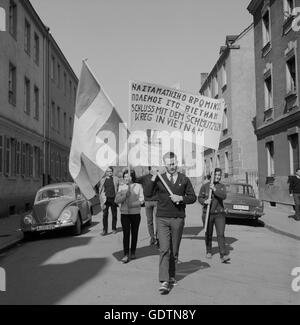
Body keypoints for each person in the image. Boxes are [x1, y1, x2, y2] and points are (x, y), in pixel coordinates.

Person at [145, 152, 197, 294]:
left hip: (178, 218)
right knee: (164, 249)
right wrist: (154, 177)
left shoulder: (184, 179)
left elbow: (193, 197)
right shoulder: (159, 179)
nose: (172, 166)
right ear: (165, 164)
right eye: (169, 164)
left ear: (177, 163)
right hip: (162, 218)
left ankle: (172, 275)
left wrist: (180, 197)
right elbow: (148, 193)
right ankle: (164, 280)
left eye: (174, 163)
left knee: (174, 250)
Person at [198, 168, 230, 263]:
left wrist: (214, 189)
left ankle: (223, 254)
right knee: (208, 233)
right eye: (216, 175)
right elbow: (200, 198)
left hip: (219, 214)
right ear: (212, 175)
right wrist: (205, 201)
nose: (217, 176)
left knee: (220, 234)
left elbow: (223, 196)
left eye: (219, 175)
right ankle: (208, 250)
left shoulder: (221, 186)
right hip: (208, 214)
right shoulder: (205, 186)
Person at [115, 169, 144, 264]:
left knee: (134, 233)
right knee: (126, 234)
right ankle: (126, 254)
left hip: (135, 214)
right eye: (125, 176)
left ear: (132, 177)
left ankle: (133, 252)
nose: (127, 178)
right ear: (123, 178)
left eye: (129, 176)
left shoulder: (138, 186)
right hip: (125, 214)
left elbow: (142, 200)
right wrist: (124, 196)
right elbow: (116, 200)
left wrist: (133, 204)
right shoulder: (121, 187)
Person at [136, 166, 159, 246]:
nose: (155, 170)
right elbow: (134, 180)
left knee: (158, 221)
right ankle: (152, 237)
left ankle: (158, 237)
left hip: (157, 201)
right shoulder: (144, 178)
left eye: (156, 168)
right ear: (149, 170)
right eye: (153, 168)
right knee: (149, 221)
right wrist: (131, 173)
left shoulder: (159, 177)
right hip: (147, 202)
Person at [99, 167, 120, 236]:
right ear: (106, 172)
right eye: (108, 171)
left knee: (114, 215)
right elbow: (100, 190)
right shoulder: (102, 180)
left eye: (111, 171)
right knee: (105, 215)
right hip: (106, 199)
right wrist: (101, 199)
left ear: (112, 172)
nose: (110, 172)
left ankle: (114, 228)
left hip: (114, 199)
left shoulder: (116, 179)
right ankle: (105, 230)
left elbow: (119, 187)